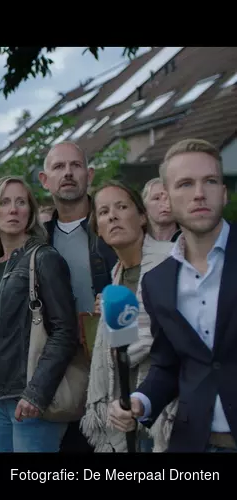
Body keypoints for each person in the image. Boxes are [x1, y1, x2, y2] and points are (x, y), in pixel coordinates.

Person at [108, 139, 237, 453]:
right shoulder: (157, 282)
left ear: (224, 192)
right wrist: (140, 401)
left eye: (210, 181)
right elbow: (167, 365)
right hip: (194, 443)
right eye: (185, 184)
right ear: (166, 197)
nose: (199, 193)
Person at [0, 176, 79, 453]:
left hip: (32, 401)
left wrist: (36, 393)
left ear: (30, 212)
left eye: (21, 202)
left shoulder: (44, 258)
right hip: (0, 402)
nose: (13, 209)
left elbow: (65, 332)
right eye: (4, 202)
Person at [80, 180, 175, 452]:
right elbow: (118, 350)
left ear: (142, 217)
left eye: (121, 207)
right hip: (126, 415)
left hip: (168, 413)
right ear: (99, 229)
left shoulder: (172, 261)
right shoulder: (115, 278)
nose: (112, 216)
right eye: (103, 212)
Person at [38, 141, 118, 453]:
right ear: (45, 180)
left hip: (110, 366)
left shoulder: (112, 229)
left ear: (90, 175)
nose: (68, 173)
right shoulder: (37, 240)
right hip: (58, 371)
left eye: (76, 165)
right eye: (59, 167)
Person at [142, 177, 180, 242]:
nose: (164, 203)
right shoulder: (137, 242)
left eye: (169, 198)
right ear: (145, 207)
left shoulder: (189, 240)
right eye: (157, 198)